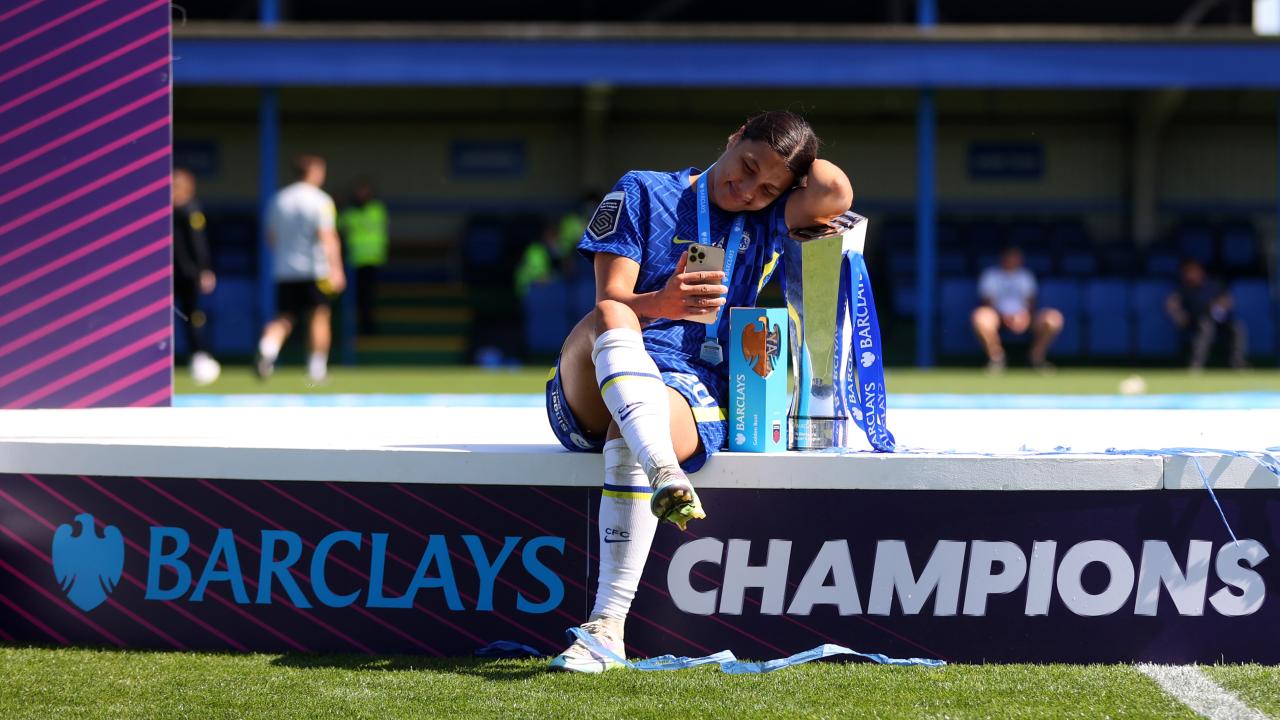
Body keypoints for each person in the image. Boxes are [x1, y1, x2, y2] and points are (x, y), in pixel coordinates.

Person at [544, 111, 853, 673]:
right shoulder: (644, 190)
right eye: (747, 165)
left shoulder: (766, 220)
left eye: (769, 189)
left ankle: (607, 628)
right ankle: (663, 468)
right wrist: (660, 303)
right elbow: (609, 297)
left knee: (632, 431)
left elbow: (834, 188)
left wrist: (791, 167)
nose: (748, 189)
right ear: (733, 137)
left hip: (688, 387)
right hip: (599, 370)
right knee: (613, 309)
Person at [254, 154, 347, 382]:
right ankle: (317, 370)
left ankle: (267, 348)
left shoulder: (278, 199)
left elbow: (271, 238)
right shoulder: (321, 200)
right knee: (319, 316)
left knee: (285, 317)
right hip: (315, 271)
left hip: (284, 270)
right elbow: (328, 237)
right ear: (314, 172)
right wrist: (336, 269)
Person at [971, 245, 1063, 372]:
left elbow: (1031, 303)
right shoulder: (991, 275)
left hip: (1025, 317)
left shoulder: (1025, 276)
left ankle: (1036, 358)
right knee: (980, 317)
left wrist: (1024, 317)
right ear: (1002, 258)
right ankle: (996, 359)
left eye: (1016, 257)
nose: (1014, 260)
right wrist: (1004, 317)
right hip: (998, 316)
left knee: (1053, 319)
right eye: (1010, 257)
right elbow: (988, 303)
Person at [172, 167, 220, 386]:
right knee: (193, 316)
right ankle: (198, 355)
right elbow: (198, 244)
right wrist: (204, 269)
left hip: (170, 274)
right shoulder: (191, 210)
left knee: (188, 316)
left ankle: (197, 357)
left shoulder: (168, 212)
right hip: (188, 274)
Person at [1165, 258, 1247, 369]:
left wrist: (1221, 305)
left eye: (1193, 271)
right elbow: (1171, 303)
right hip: (1195, 322)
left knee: (1237, 327)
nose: (1190, 274)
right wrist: (1179, 315)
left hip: (1218, 319)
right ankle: (1196, 366)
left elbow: (1227, 301)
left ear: (1200, 271)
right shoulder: (1183, 288)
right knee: (1206, 327)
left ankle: (1237, 364)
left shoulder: (1214, 284)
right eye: (1187, 272)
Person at [338, 179, 389, 336]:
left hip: (373, 260)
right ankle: (354, 331)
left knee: (368, 297)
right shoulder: (348, 213)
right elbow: (336, 228)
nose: (361, 194)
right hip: (354, 262)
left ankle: (369, 328)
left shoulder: (377, 209)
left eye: (364, 191)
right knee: (357, 299)